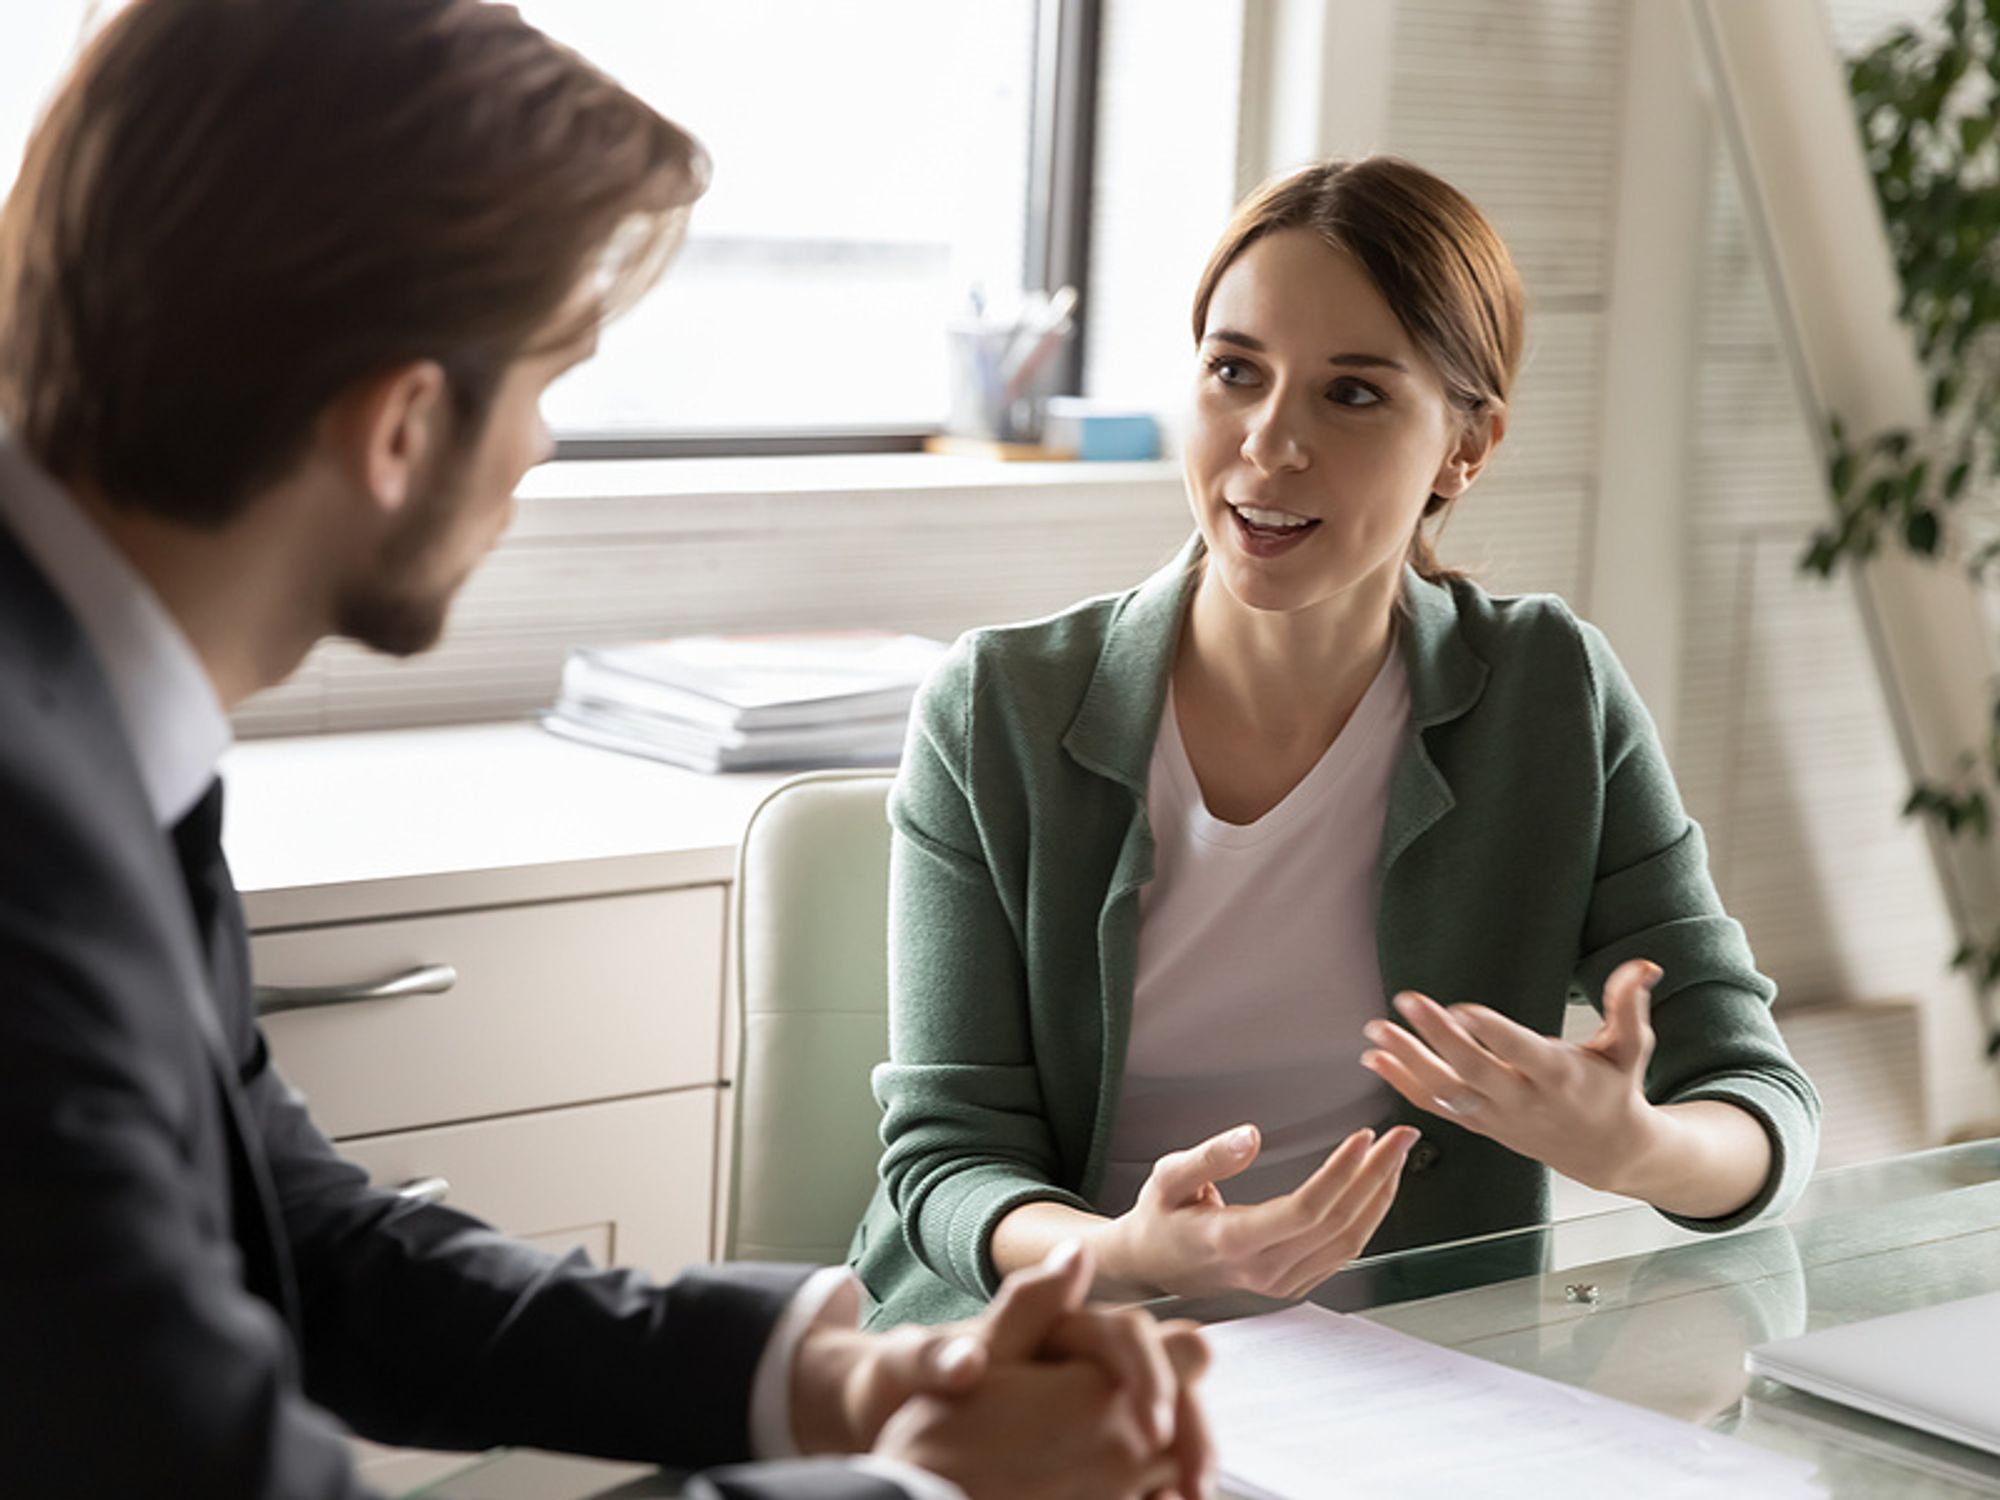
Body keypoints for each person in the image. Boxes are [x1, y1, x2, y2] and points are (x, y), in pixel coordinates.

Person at [0, 4, 1212, 1498]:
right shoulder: (28, 841)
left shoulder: (78, 713)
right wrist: (932, 1491)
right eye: (547, 380)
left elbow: (292, 1234)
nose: (541, 450)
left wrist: (837, 1380)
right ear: (398, 428)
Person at [853, 156, 1822, 1327]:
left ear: (1466, 446)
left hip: (1396, 1388)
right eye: (1232, 372)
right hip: (1054, 1353)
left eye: (1350, 394)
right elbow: (946, 1165)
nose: (1267, 443)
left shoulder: (1547, 696)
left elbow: (1751, 1092)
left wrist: (1636, 1148)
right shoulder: (995, 709)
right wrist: (1131, 1254)